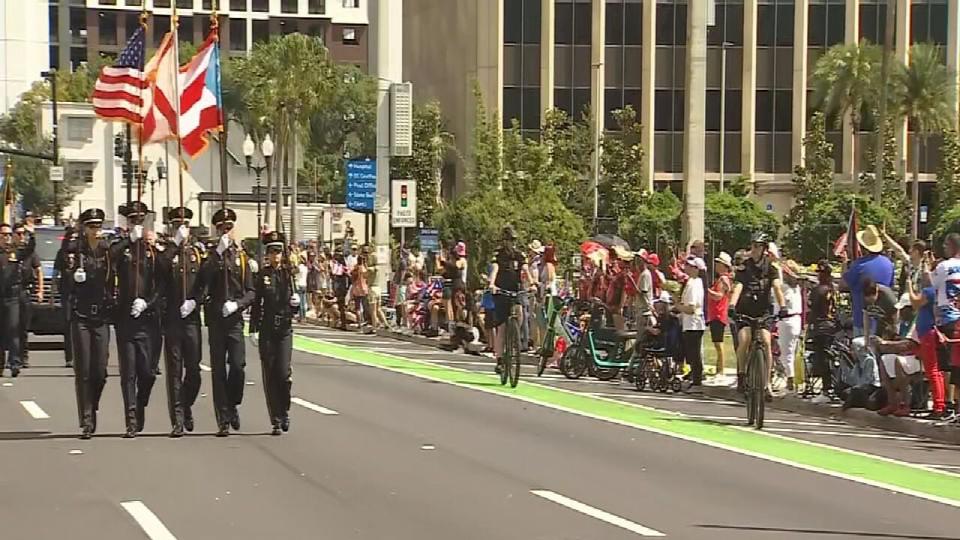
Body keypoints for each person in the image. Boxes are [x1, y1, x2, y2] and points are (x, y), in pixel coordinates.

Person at [184, 208, 255, 437]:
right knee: (218, 371)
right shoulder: (210, 256)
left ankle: (233, 402)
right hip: (215, 318)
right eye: (222, 228)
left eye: (229, 227)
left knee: (237, 366)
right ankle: (222, 417)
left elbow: (251, 291)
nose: (226, 231)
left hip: (234, 319)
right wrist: (217, 255)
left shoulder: (242, 257)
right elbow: (203, 279)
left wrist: (239, 304)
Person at [111, 201, 161, 437]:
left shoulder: (151, 250)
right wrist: (129, 240)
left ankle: (140, 404)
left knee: (148, 373)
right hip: (125, 318)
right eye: (133, 221)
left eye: (140, 221)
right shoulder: (122, 247)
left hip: (147, 319)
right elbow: (110, 258)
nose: (137, 225)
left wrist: (147, 303)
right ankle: (131, 420)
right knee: (128, 372)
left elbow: (161, 284)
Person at [63, 209, 112, 439]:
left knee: (100, 371)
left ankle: (93, 404)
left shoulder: (106, 250)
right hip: (81, 315)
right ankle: (87, 418)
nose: (96, 230)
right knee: (83, 369)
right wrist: (73, 275)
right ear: (84, 228)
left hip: (101, 315)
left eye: (98, 226)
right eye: (91, 226)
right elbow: (64, 272)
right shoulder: (75, 249)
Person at [158, 207, 203, 437]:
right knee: (174, 372)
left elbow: (206, 282)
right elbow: (159, 269)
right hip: (173, 319)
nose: (182, 228)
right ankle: (176, 419)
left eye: (184, 224)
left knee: (194, 371)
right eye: (177, 224)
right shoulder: (166, 251)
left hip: (192, 319)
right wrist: (175, 244)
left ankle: (185, 405)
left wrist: (196, 301)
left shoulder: (198, 252)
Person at [250, 231, 296, 436]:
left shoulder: (289, 274)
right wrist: (253, 329)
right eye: (271, 252)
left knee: (283, 373)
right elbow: (257, 304)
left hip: (284, 328)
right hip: (267, 328)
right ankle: (276, 419)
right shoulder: (262, 275)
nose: (275, 256)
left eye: (278, 251)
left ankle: (284, 409)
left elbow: (293, 304)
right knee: (270, 375)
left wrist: (296, 306)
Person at [729, 232, 786, 398]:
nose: (753, 249)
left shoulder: (771, 269)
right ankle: (741, 375)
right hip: (745, 310)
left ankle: (766, 383)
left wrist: (782, 306)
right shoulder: (744, 267)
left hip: (763, 311)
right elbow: (738, 287)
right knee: (745, 338)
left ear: (764, 249)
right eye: (752, 246)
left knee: (766, 341)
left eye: (757, 246)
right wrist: (732, 305)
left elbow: (776, 287)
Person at [842, 225, 895, 335]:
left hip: (861, 319)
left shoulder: (858, 265)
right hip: (883, 321)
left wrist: (844, 264)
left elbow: (843, 285)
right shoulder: (889, 264)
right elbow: (890, 286)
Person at [487, 226, 527, 369]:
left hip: (516, 290)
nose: (513, 243)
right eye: (510, 240)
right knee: (502, 328)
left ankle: (515, 336)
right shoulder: (499, 255)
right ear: (504, 241)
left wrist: (533, 282)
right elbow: (495, 269)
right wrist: (492, 284)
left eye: (514, 240)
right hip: (501, 291)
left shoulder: (519, 255)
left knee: (520, 312)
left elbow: (525, 269)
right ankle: (499, 359)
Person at [908, 279, 947, 419]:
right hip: (926, 333)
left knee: (933, 371)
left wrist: (909, 286)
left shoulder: (930, 290)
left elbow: (915, 303)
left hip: (928, 334)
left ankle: (939, 406)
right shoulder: (934, 290)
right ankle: (940, 404)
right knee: (934, 371)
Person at [931, 232, 960, 419]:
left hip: (946, 317)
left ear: (951, 245)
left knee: (945, 365)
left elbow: (931, 284)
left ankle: (947, 403)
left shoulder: (944, 266)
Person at [0, 221, 34, 377]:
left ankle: (15, 363)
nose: (6, 238)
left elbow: (29, 250)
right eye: (3, 235)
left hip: (12, 296)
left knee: (14, 330)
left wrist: (32, 234)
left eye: (8, 234)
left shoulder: (15, 252)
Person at [808, 260, 839, 404]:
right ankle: (829, 388)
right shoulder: (833, 288)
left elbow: (811, 307)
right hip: (831, 325)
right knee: (827, 356)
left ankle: (827, 389)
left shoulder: (818, 290)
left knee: (823, 358)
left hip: (821, 326)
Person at [676, 256, 707, 392]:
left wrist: (678, 307)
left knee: (694, 354)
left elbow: (691, 308)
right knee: (691, 353)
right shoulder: (691, 282)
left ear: (696, 269)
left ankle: (697, 382)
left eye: (690, 265)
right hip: (689, 324)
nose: (686, 267)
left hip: (694, 324)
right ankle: (694, 379)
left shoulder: (695, 284)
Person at [15, 222, 41, 369]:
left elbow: (31, 250)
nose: (20, 236)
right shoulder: (8, 251)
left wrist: (32, 235)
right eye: (17, 233)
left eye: (22, 233)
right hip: (7, 293)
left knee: (23, 326)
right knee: (9, 327)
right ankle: (12, 357)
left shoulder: (26, 252)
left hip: (24, 291)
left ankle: (22, 356)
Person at [776, 260, 805, 392]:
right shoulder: (796, 288)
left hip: (787, 321)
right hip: (796, 320)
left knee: (786, 352)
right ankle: (791, 377)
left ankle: (790, 379)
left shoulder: (785, 288)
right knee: (791, 351)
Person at [706, 251, 733, 383]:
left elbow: (719, 296)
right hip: (715, 314)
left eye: (718, 263)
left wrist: (706, 291)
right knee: (717, 343)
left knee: (719, 343)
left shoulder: (723, 279)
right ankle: (718, 369)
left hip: (718, 313)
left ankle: (721, 370)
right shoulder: (722, 279)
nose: (716, 265)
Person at [54, 226, 77, 368]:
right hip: (66, 293)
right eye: (71, 238)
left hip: (81, 294)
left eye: (75, 238)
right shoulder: (61, 253)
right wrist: (52, 294)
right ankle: (70, 357)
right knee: (68, 325)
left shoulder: (83, 254)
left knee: (80, 326)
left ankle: (81, 356)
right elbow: (56, 274)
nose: (73, 241)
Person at [330, 253, 350, 330]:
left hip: (342, 288)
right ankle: (342, 322)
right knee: (340, 306)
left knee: (342, 306)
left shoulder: (343, 268)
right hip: (338, 288)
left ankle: (344, 323)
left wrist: (347, 287)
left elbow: (348, 276)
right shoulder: (336, 266)